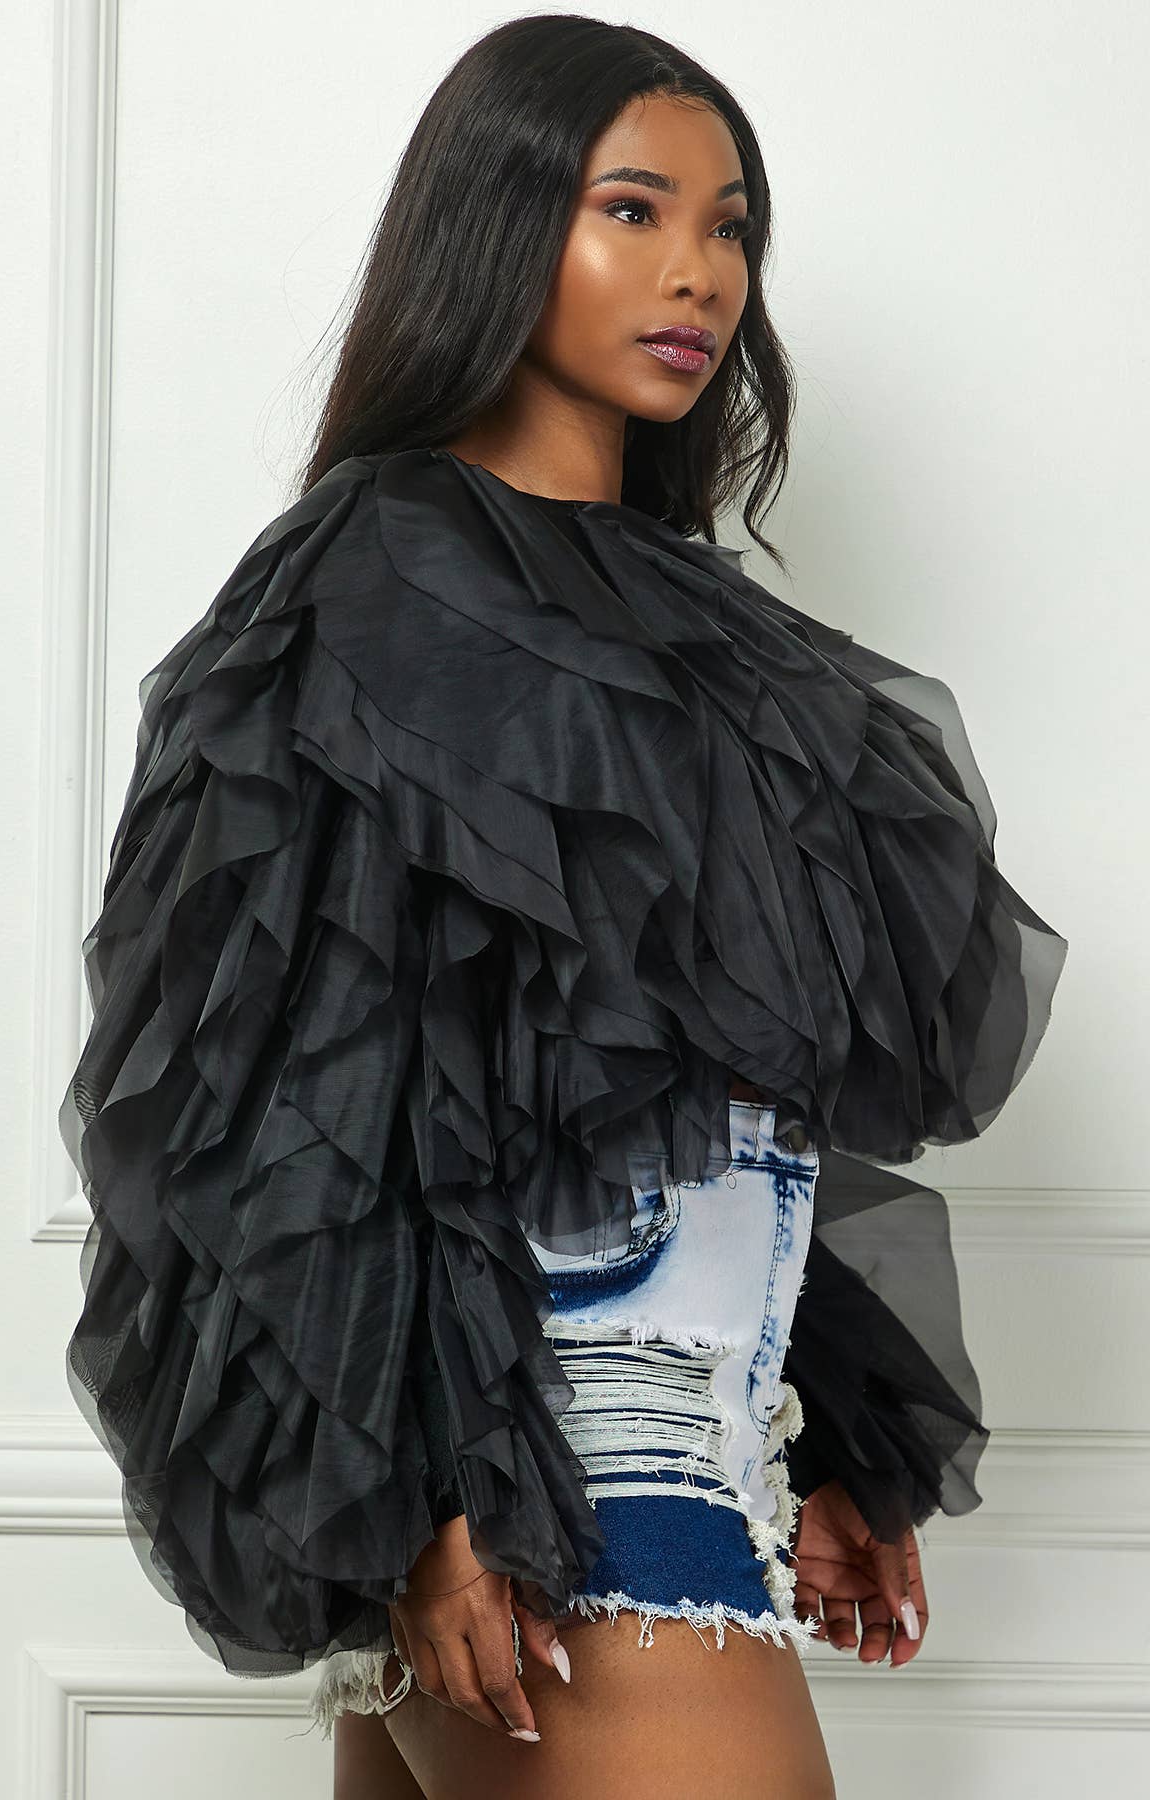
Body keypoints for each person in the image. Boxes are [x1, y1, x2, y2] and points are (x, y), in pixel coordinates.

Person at [58, 16, 1067, 1800]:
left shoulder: (699, 625)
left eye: (733, 224)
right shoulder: (378, 582)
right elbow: (306, 1089)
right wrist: (436, 1493)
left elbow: (696, 1084)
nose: (699, 273)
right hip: (534, 1476)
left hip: (663, 1450)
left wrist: (831, 1432)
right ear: (499, 226)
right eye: (634, 208)